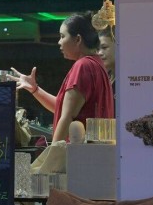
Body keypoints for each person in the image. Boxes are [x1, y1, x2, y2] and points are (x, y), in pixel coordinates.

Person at [11, 12, 114, 143]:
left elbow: (67, 116)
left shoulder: (83, 65)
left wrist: (53, 151)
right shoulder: (97, 64)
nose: (59, 42)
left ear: (77, 39)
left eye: (62, 36)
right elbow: (62, 108)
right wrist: (35, 90)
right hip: (95, 152)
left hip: (78, 154)